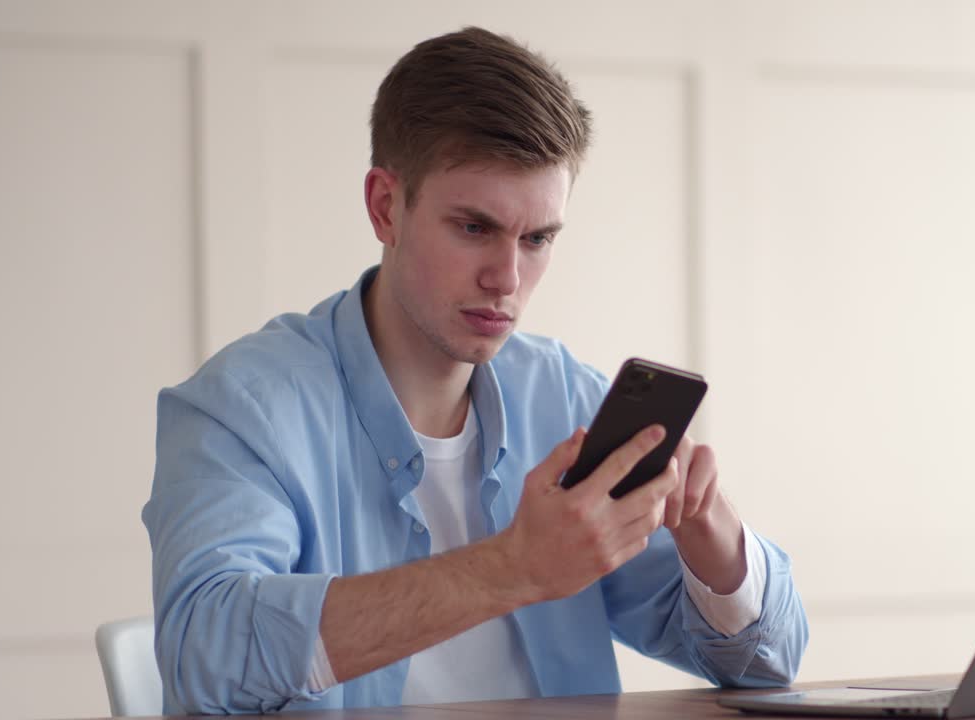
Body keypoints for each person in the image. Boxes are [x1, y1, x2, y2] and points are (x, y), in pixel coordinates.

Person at [143, 26, 808, 715]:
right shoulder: (242, 408)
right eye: (474, 227)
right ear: (384, 207)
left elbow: (767, 663)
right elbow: (204, 656)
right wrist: (511, 569)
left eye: (538, 239)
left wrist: (714, 539)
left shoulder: (564, 397)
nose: (507, 277)